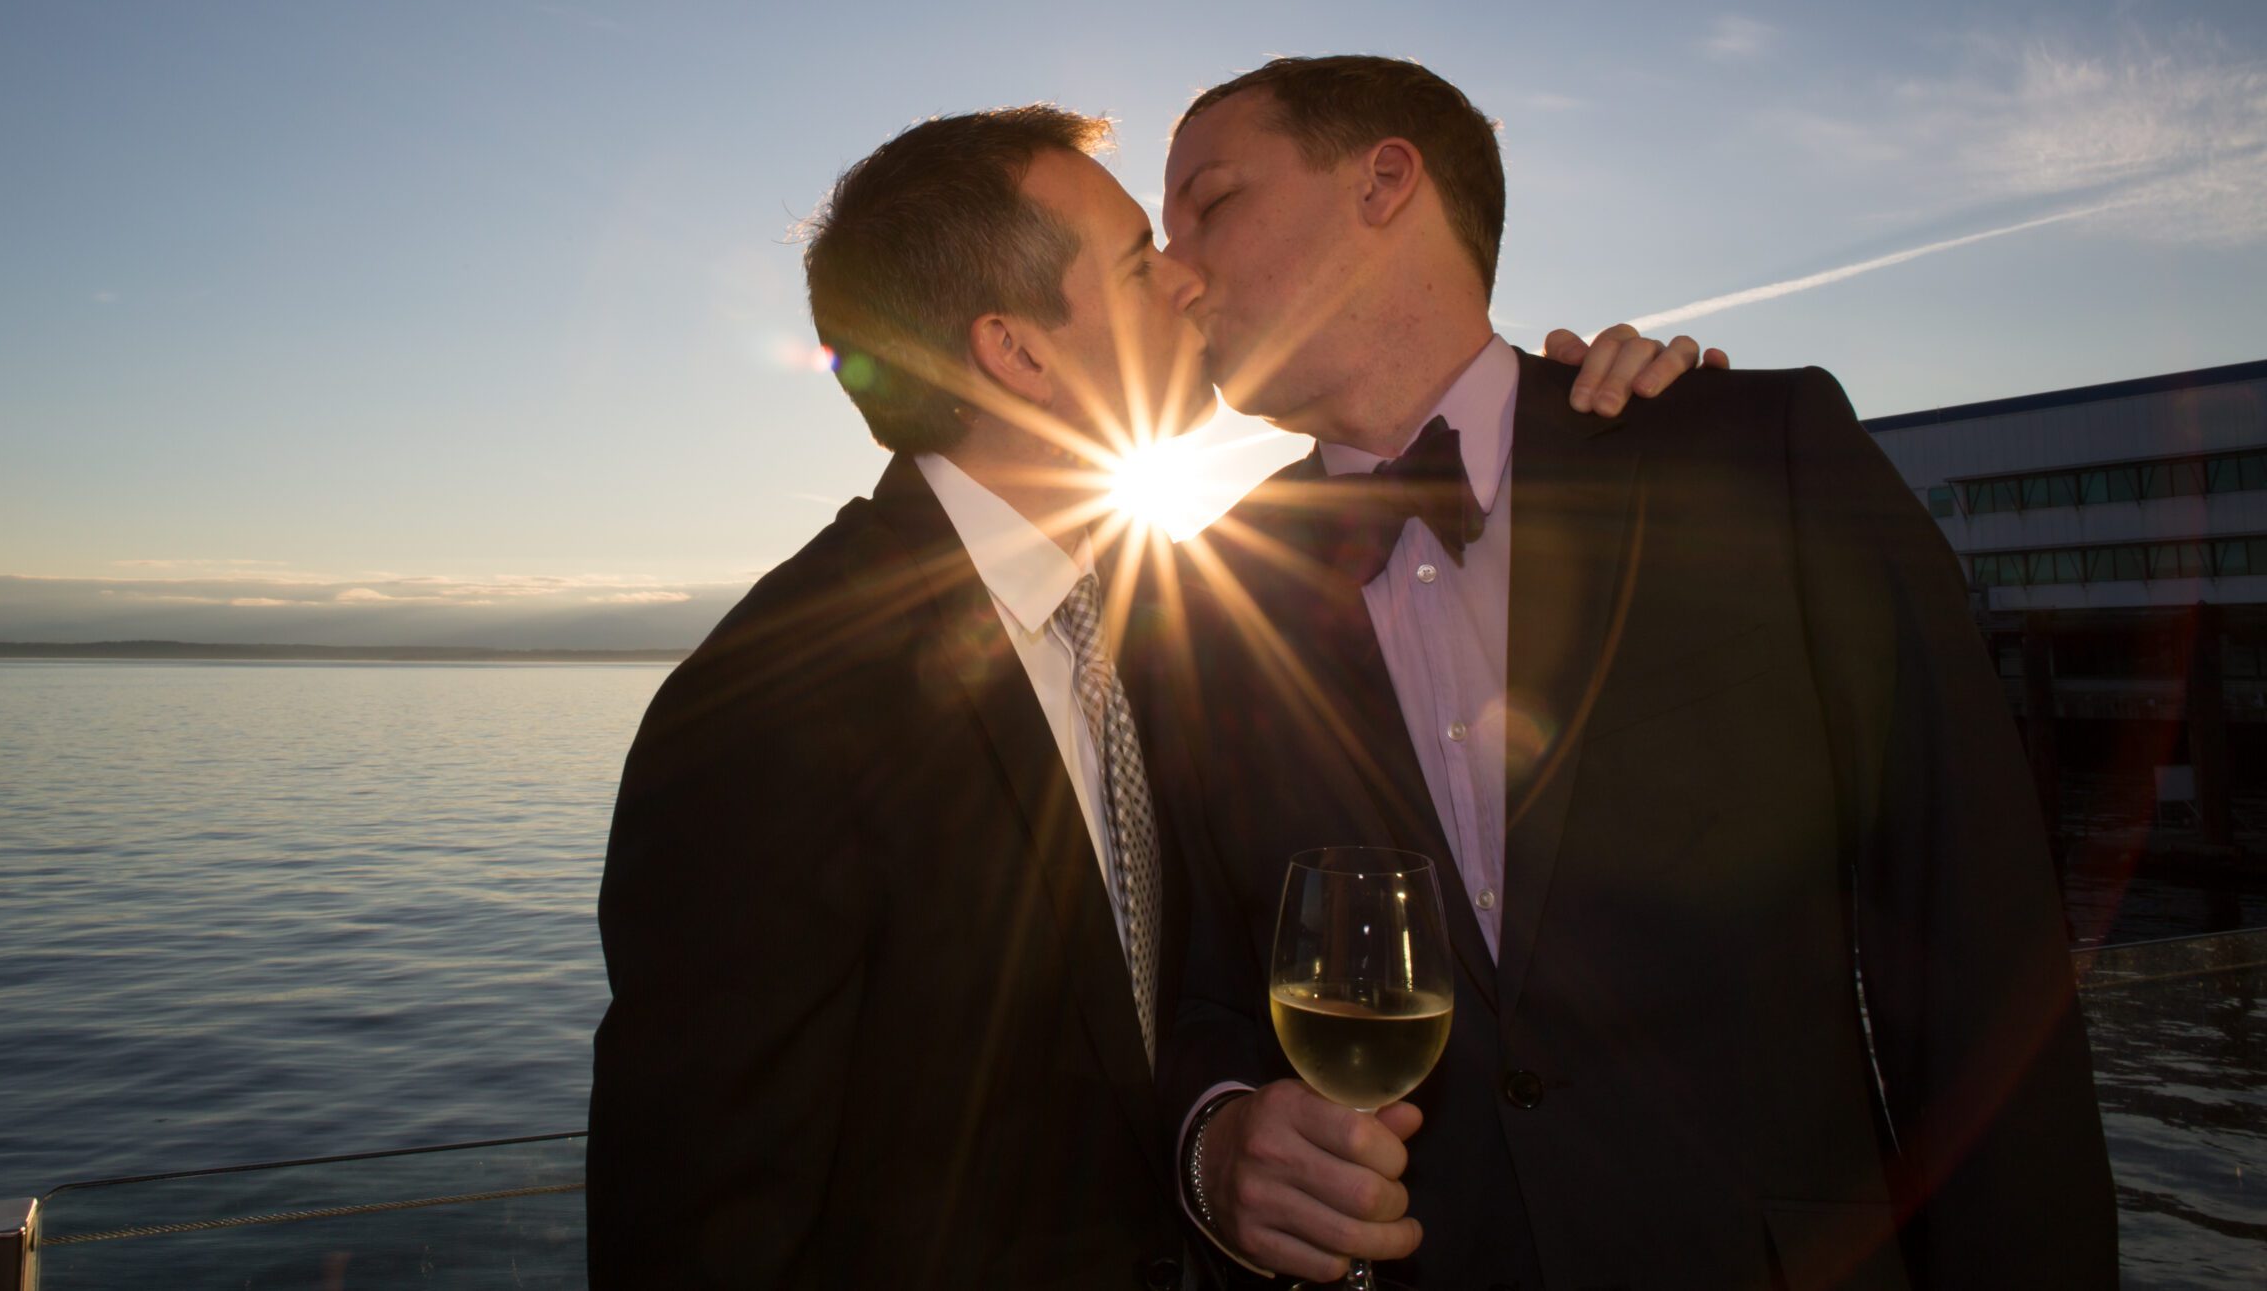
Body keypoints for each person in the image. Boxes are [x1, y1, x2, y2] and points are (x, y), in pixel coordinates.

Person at [586, 103, 1709, 1289]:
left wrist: (1613, 421)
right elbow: (698, 1228)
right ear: (1017, 352)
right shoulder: (775, 705)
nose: (1185, 280)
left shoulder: (1167, 614)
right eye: (1135, 264)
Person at [1141, 56, 2115, 1289]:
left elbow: (1975, 950)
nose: (1171, 269)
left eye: (1208, 204)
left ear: (1385, 183)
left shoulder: (1755, 456)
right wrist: (1215, 1141)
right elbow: (1193, 992)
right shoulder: (1200, 592)